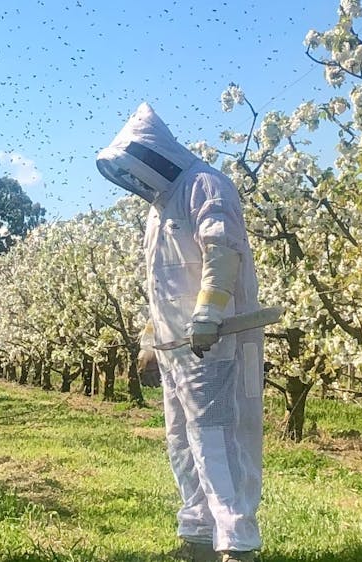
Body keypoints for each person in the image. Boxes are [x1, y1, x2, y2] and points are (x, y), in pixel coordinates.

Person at [97, 103, 264, 562]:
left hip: (218, 343)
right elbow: (165, 280)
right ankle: (196, 533)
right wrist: (152, 336)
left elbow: (221, 251)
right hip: (178, 348)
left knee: (215, 437)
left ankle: (236, 542)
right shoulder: (160, 208)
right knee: (180, 438)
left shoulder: (205, 185)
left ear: (154, 155)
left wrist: (208, 314)